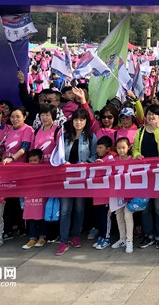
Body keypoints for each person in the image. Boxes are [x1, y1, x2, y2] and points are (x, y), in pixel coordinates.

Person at [55, 108, 98, 256]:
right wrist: (63, 162)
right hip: (66, 178)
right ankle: (63, 240)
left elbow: (95, 155)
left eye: (82, 120)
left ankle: (75, 235)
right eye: (76, 119)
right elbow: (57, 156)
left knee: (79, 208)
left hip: (82, 179)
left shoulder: (91, 137)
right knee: (65, 210)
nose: (78, 122)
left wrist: (87, 163)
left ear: (86, 122)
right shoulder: (64, 136)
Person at [132, 104, 159, 250]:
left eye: (154, 114)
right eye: (149, 114)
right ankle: (148, 235)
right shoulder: (140, 131)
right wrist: (137, 155)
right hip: (144, 175)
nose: (151, 117)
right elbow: (135, 149)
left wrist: (156, 129)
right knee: (145, 207)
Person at [110, 137, 135, 254]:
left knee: (128, 215)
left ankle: (130, 241)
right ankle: (122, 239)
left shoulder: (133, 160)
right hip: (117, 193)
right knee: (118, 215)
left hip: (129, 193)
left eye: (123, 148)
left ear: (129, 147)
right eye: (119, 148)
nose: (121, 150)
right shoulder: (113, 161)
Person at [92, 135, 115, 250]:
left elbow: (112, 175)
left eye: (101, 147)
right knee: (99, 217)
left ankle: (106, 238)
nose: (98, 150)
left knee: (106, 218)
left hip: (106, 196)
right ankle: (101, 236)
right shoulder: (96, 159)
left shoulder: (110, 159)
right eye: (97, 147)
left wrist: (103, 165)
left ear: (108, 149)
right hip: (97, 195)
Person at [21, 149, 47, 249]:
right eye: (30, 161)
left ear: (41, 160)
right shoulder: (25, 172)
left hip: (41, 200)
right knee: (31, 219)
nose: (32, 163)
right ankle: (32, 238)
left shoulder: (45, 171)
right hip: (29, 200)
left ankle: (42, 238)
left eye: (35, 160)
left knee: (41, 218)